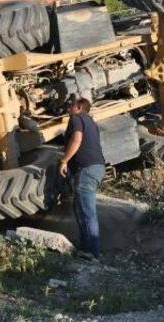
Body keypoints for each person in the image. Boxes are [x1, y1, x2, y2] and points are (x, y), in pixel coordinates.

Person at [59, 97, 106, 259]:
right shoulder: (92, 123)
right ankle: (86, 249)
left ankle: (93, 253)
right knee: (81, 211)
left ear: (79, 107)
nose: (68, 109)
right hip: (98, 168)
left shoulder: (77, 118)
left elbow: (77, 138)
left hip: (86, 170)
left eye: (70, 106)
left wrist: (64, 160)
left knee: (86, 213)